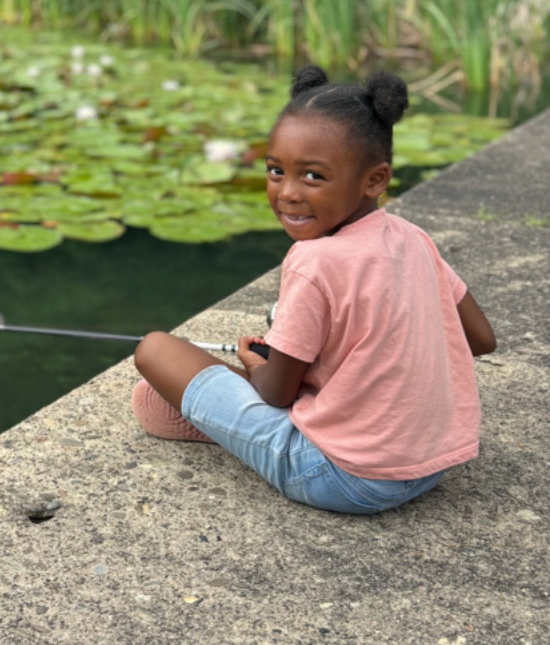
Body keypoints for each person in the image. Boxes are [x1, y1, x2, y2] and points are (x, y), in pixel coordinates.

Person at [131, 65, 496, 514]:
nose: (287, 192)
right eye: (275, 170)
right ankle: (239, 420)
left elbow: (276, 395)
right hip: (431, 464)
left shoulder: (313, 260)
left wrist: (256, 365)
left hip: (343, 478)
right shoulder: (413, 238)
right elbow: (482, 339)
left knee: (155, 349)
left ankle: (229, 425)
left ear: (375, 180)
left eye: (313, 177)